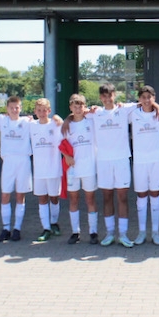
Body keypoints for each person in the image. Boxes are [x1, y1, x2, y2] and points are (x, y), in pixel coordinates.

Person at [87, 83, 137, 248]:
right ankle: (109, 233)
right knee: (107, 197)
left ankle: (123, 234)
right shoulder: (95, 113)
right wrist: (65, 121)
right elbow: (76, 114)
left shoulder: (124, 110)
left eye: (110, 95)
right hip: (103, 161)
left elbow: (147, 103)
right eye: (104, 96)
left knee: (122, 197)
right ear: (100, 97)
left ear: (115, 95)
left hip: (121, 160)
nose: (107, 99)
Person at [130, 85, 159, 245]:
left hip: (157, 160)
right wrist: (69, 119)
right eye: (143, 97)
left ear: (154, 98)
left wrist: (158, 107)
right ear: (139, 99)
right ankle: (141, 232)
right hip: (140, 161)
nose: (146, 100)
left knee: (155, 195)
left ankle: (155, 232)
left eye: (149, 97)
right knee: (141, 195)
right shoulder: (132, 112)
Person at [0, 95, 34, 242]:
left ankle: (17, 228)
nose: (14, 110)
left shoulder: (27, 122)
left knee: (20, 195)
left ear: (20, 108)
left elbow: (45, 122)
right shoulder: (2, 120)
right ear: (7, 109)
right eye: (11, 108)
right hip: (8, 161)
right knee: (5, 195)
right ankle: (6, 228)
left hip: (23, 160)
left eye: (16, 107)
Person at [63, 94, 98, 245]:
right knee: (73, 199)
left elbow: (101, 111)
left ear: (85, 107)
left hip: (89, 166)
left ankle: (93, 232)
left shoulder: (91, 120)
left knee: (90, 199)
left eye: (80, 106)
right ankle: (75, 232)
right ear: (70, 107)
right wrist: (66, 156)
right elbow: (62, 144)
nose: (78, 109)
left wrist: (93, 109)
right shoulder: (67, 125)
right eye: (75, 106)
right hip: (73, 168)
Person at [29, 98, 64, 242]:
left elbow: (66, 130)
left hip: (54, 168)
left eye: (44, 110)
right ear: (35, 111)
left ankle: (54, 222)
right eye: (39, 110)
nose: (42, 113)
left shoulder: (56, 124)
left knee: (54, 197)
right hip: (39, 170)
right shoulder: (31, 125)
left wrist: (59, 119)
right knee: (42, 198)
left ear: (49, 111)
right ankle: (46, 228)